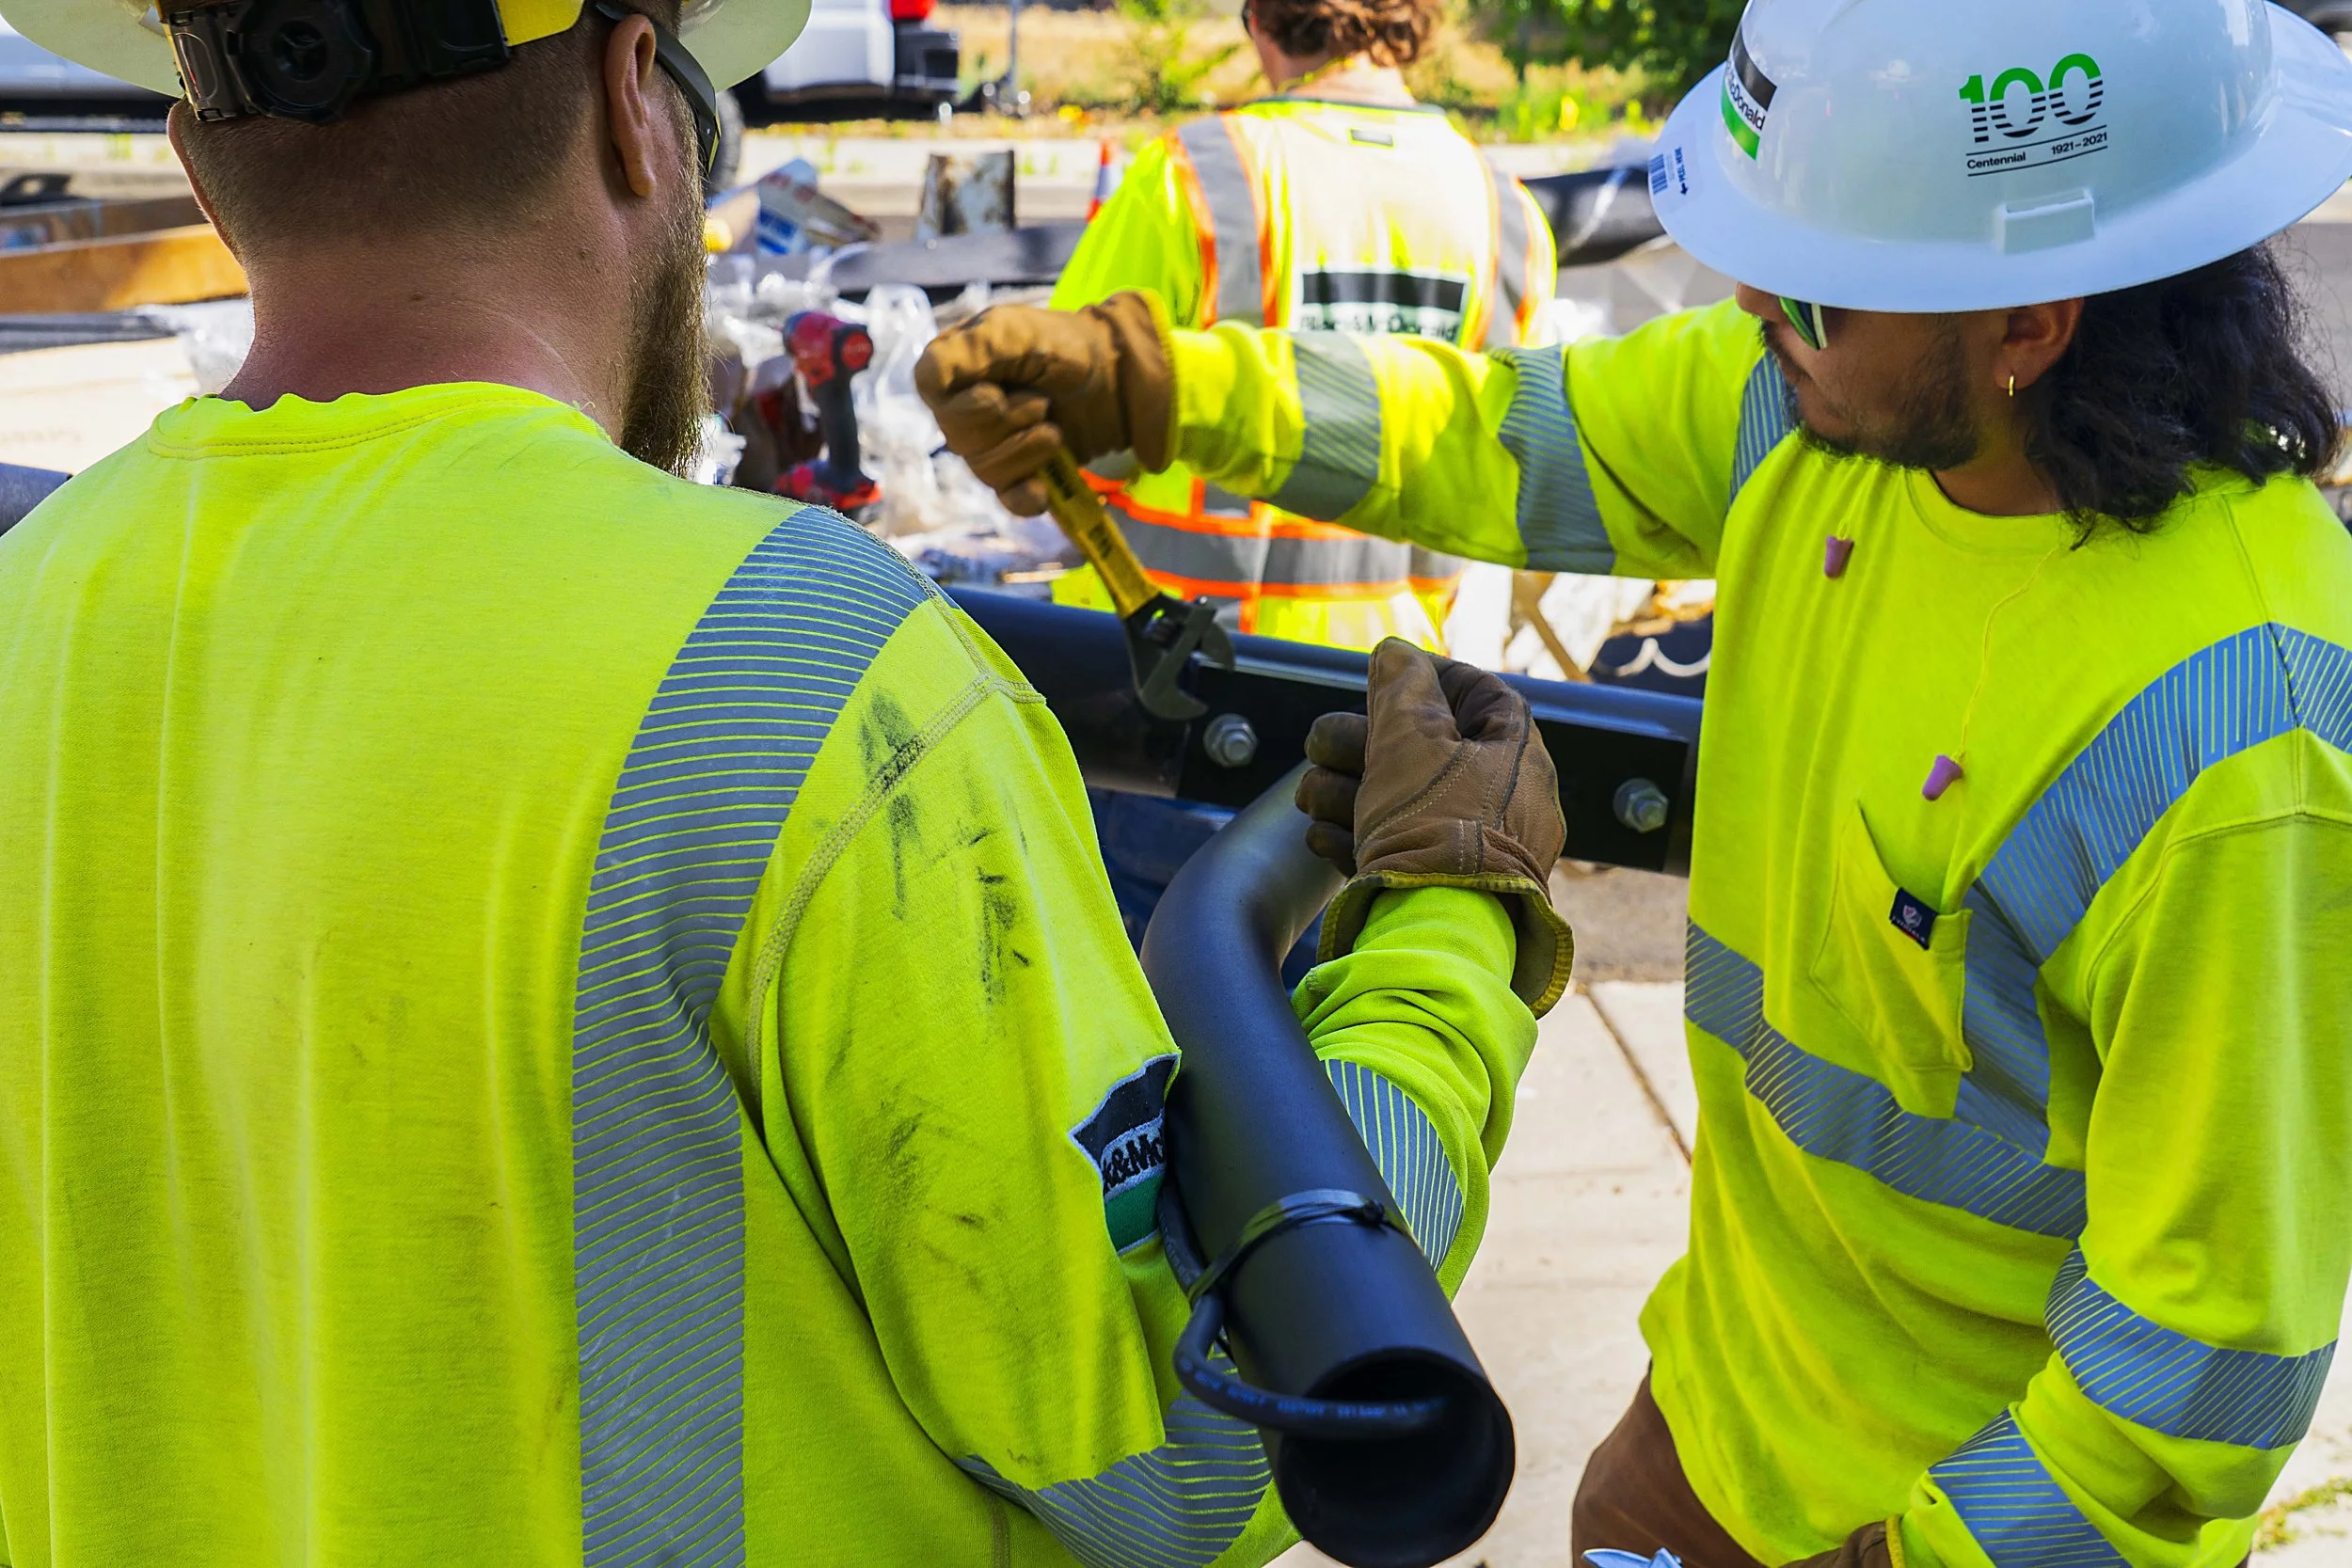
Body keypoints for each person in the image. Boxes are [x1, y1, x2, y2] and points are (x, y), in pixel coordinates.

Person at [0, 0, 1574, 1563]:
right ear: (636, 102)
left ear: (198, 159)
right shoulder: (796, 671)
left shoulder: (29, 613)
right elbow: (1182, 1439)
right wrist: (1446, 932)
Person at [916, 2, 2352, 1563]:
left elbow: (2199, 1363)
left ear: (2029, 323)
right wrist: (1162, 389)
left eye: (1812, 279)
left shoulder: (2230, 740)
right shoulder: (1820, 413)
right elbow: (1508, 431)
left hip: (1942, 1521)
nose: (1753, 301)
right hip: (1707, 1428)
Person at [1048, 0, 1555, 654]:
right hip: (1408, 691)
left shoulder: (1195, 176)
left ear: (1262, 20)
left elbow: (1064, 435)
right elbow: (1522, 466)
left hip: (1181, 666)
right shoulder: (1506, 211)